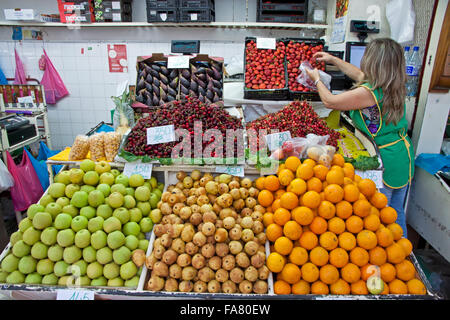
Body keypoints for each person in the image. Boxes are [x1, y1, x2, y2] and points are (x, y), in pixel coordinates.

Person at [305, 38, 414, 237]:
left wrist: (317, 79)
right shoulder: (393, 83)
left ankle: (391, 257)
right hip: (402, 155)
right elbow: (358, 74)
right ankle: (405, 254)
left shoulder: (369, 93)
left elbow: (330, 101)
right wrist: (333, 60)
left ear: (372, 62)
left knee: (381, 217)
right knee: (397, 213)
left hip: (385, 158)